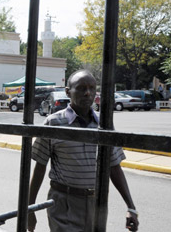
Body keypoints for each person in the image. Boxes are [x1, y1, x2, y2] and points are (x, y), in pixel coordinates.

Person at [28, 70, 138, 232]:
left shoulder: (104, 125)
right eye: (81, 88)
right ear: (68, 92)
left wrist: (131, 207)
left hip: (96, 204)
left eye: (92, 88)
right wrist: (30, 208)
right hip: (63, 204)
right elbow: (40, 167)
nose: (88, 93)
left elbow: (114, 167)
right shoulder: (54, 123)